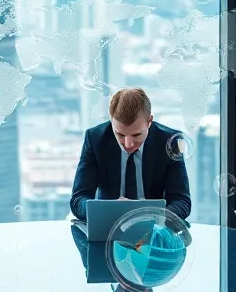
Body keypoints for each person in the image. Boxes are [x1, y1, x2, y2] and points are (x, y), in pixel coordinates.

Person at [69, 87, 192, 221]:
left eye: (136, 135)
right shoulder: (95, 139)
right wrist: (110, 210)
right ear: (111, 120)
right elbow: (78, 200)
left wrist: (145, 216)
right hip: (108, 226)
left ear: (149, 122)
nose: (128, 144)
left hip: (154, 231)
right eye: (120, 134)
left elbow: (182, 202)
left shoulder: (169, 142)